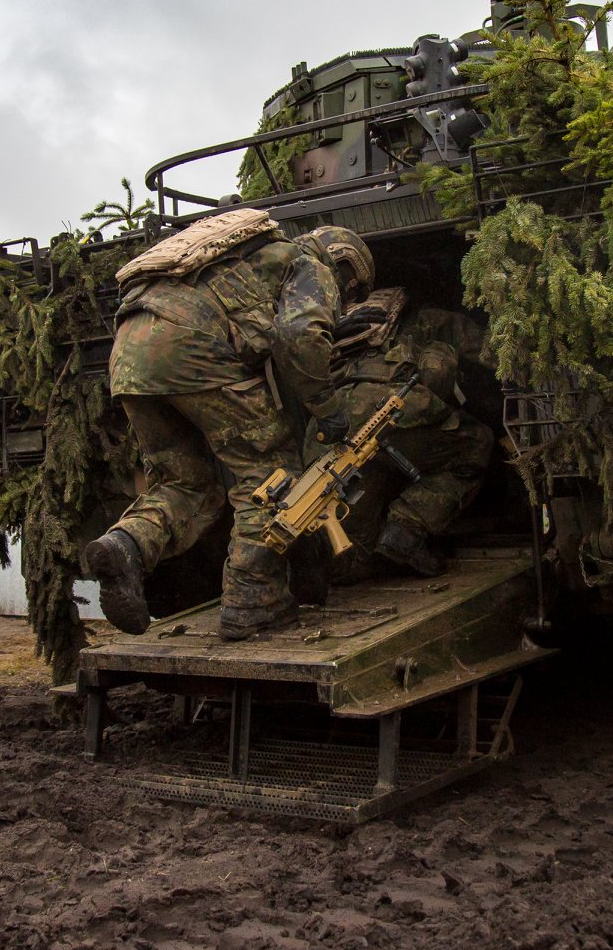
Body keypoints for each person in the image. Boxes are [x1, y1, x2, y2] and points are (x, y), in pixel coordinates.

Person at [82, 214, 375, 641]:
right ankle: (252, 602)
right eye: (349, 289)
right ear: (342, 261)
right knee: (272, 478)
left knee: (185, 483)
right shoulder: (311, 263)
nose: (343, 297)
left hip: (130, 352)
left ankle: (125, 545)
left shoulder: (249, 260)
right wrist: (326, 406)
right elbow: (298, 335)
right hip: (193, 346)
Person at [314, 291, 494, 578]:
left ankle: (344, 568)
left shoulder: (341, 328)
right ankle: (405, 530)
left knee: (352, 551)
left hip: (336, 424)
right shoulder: (428, 320)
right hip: (395, 411)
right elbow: (498, 351)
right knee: (476, 444)